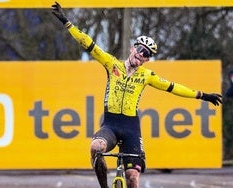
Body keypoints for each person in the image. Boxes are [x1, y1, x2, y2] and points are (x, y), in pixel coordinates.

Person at [51, 2, 222, 187]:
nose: (141, 55)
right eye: (140, 49)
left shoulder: (146, 76)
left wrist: (203, 95)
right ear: (133, 48)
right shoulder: (112, 64)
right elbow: (88, 43)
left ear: (147, 60)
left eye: (146, 54)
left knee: (132, 176)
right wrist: (66, 22)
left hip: (131, 128)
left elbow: (173, 87)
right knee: (95, 148)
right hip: (110, 125)